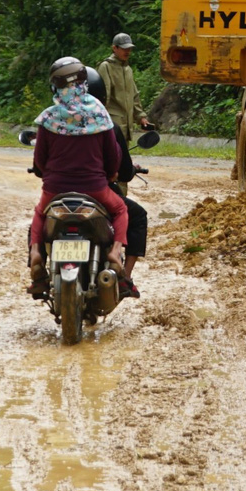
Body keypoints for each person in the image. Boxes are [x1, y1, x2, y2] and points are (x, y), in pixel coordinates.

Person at [27, 56, 130, 300]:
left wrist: (48, 173)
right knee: (121, 210)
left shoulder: (49, 118)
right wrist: (108, 174)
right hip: (94, 189)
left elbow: (40, 159)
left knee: (40, 214)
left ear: (55, 86)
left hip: (55, 190)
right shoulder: (100, 115)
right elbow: (112, 160)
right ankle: (116, 251)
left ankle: (35, 254)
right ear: (84, 82)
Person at [95, 34, 150, 296]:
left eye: (129, 49)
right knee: (125, 206)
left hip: (123, 128)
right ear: (113, 48)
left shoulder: (127, 70)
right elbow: (102, 96)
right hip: (111, 125)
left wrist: (141, 117)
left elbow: (134, 98)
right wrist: (102, 122)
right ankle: (123, 268)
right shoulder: (106, 68)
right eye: (123, 49)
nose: (127, 52)